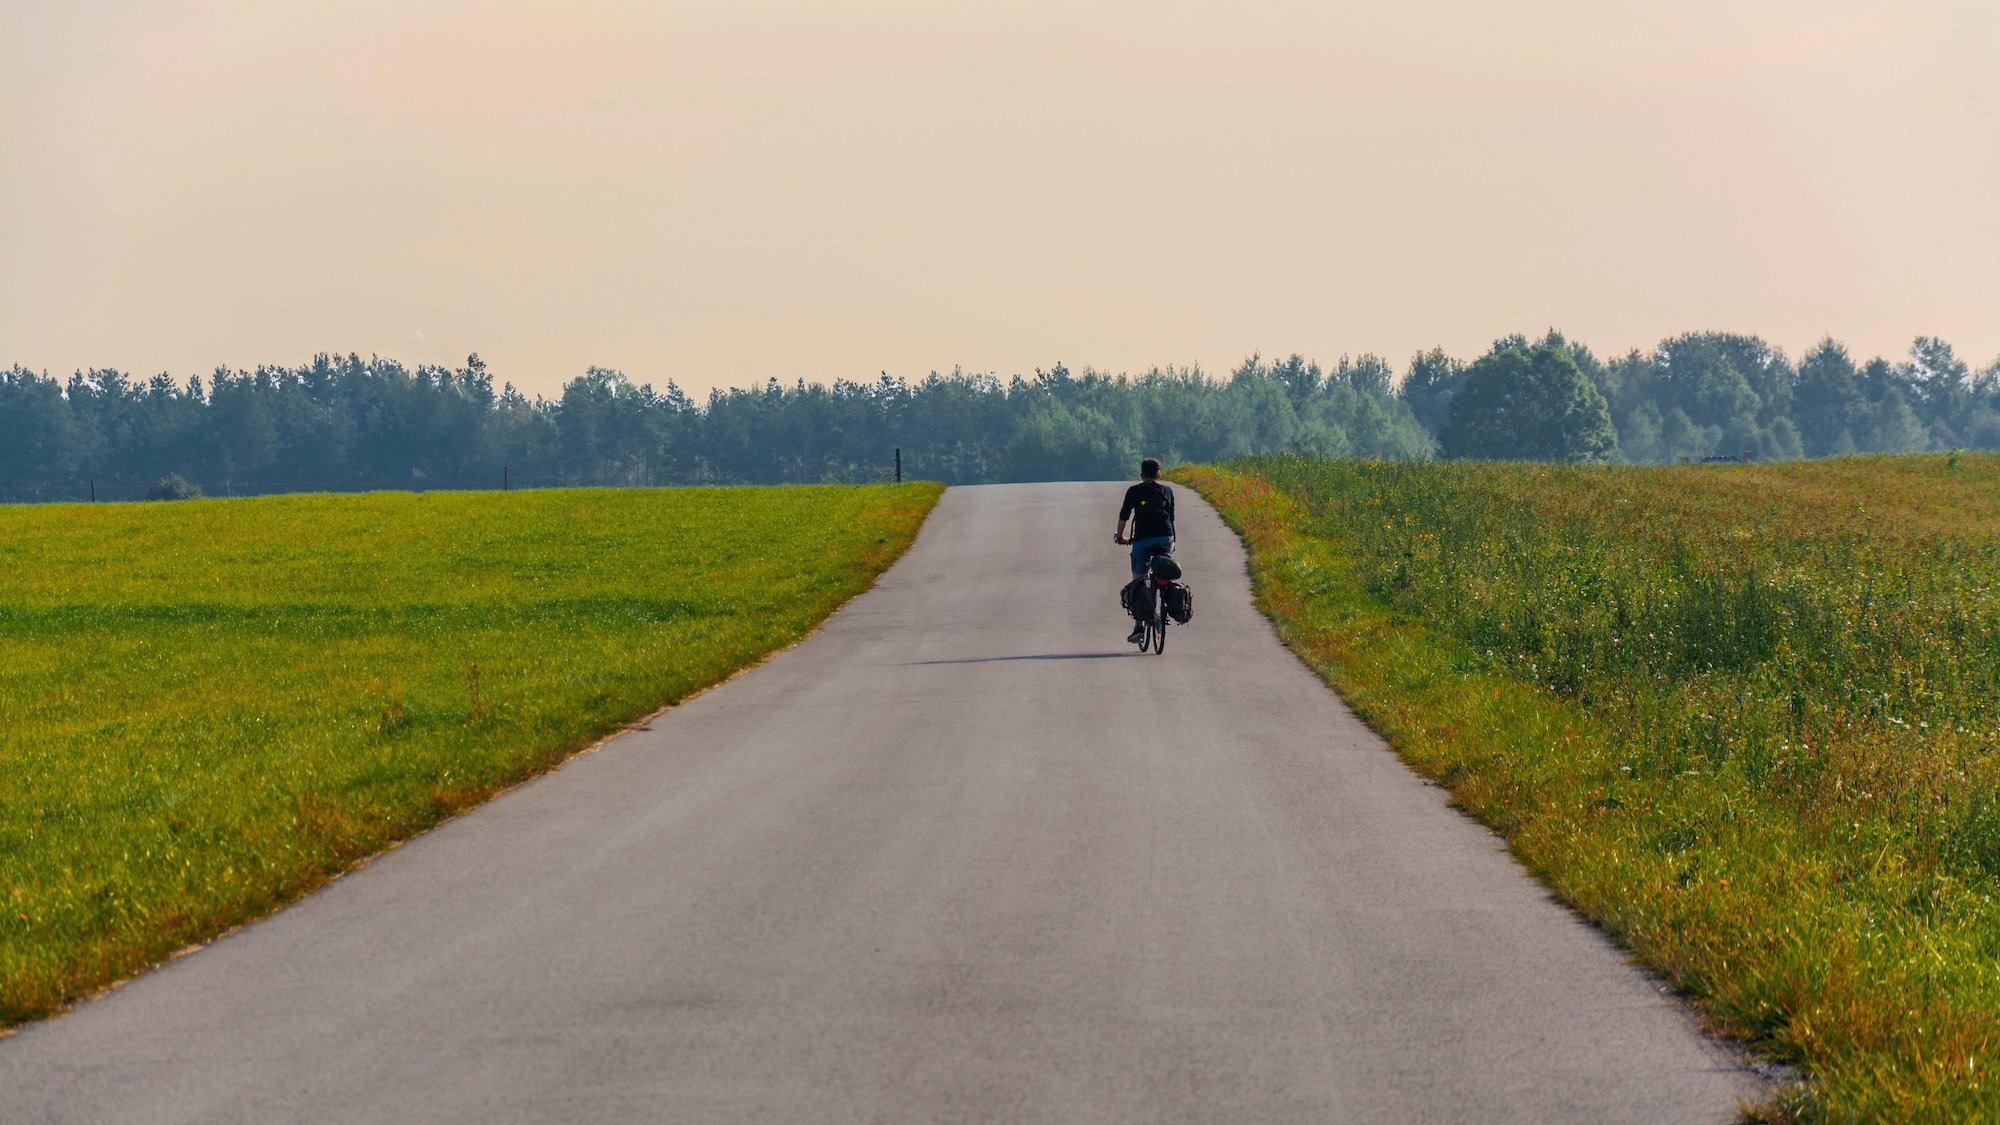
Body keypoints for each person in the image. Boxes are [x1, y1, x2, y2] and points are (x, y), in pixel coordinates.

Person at [1114, 458, 1175, 643]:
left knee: (1138, 581)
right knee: (1162, 567)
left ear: (1141, 475)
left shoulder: (1134, 491)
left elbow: (1124, 515)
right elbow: (1171, 518)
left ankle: (1138, 627)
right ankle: (1164, 592)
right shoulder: (1167, 491)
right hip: (1166, 538)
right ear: (1159, 474)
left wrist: (1120, 537)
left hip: (1142, 540)